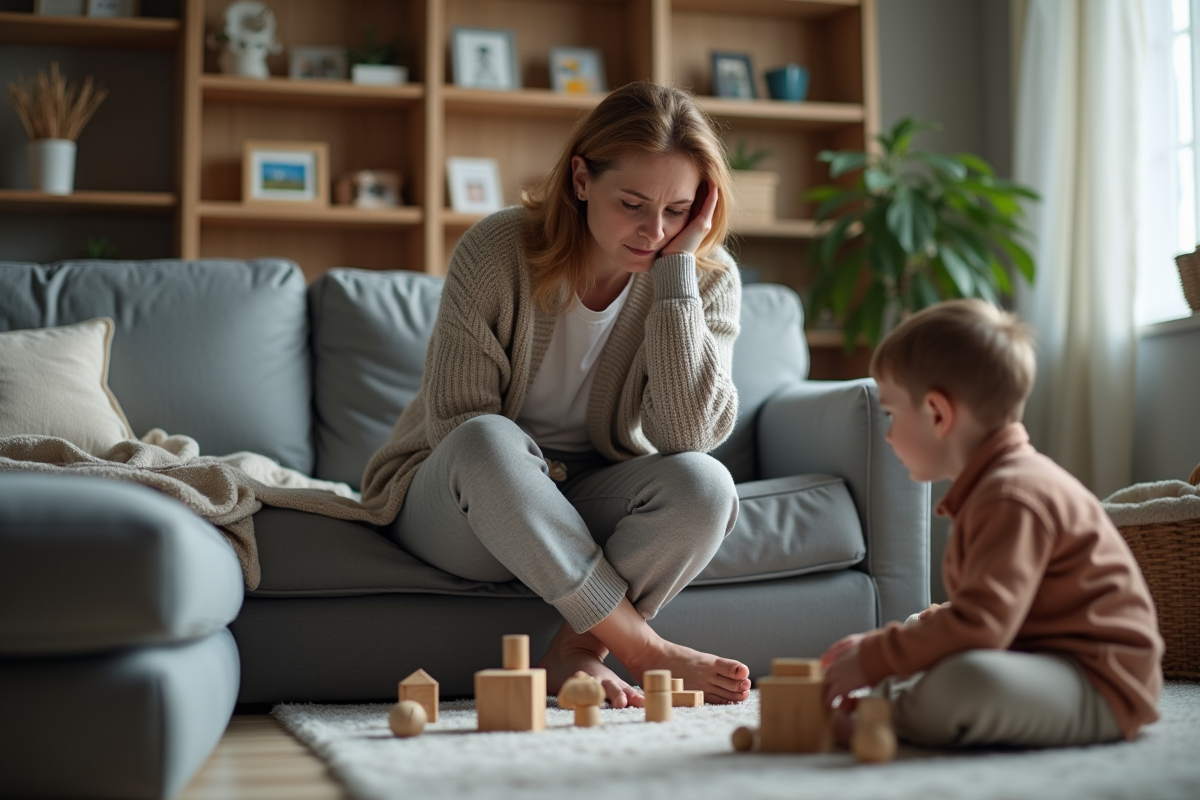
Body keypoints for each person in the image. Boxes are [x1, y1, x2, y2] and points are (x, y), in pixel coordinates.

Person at [361, 81, 752, 708]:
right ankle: (641, 646)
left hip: (583, 495)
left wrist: (677, 280)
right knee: (488, 438)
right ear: (580, 179)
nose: (654, 230)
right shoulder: (496, 250)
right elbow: (458, 427)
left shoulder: (703, 277)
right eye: (632, 203)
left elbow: (688, 437)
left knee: (707, 485)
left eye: (678, 211)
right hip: (460, 504)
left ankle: (575, 650)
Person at [821, 299, 1163, 748]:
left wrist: (876, 658)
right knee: (926, 632)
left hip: (1101, 684)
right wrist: (897, 645)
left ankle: (888, 719)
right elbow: (1003, 610)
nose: (887, 434)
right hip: (1046, 660)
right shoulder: (993, 487)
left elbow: (982, 625)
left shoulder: (1011, 495)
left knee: (965, 680)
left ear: (938, 415)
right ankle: (895, 701)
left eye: (891, 414)